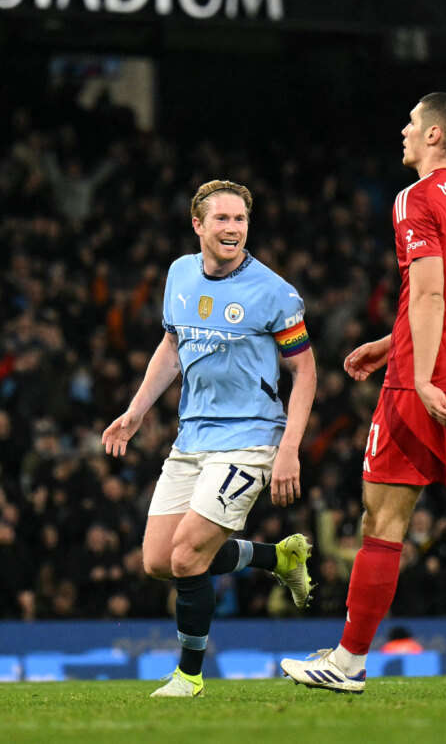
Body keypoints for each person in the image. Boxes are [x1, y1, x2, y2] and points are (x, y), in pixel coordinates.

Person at [280, 93, 446, 695]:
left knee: (383, 519)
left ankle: (347, 662)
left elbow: (429, 295)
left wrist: (416, 373)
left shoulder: (415, 198)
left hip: (424, 385)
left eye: (413, 123)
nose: (404, 130)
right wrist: (390, 343)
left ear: (436, 136)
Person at [102, 179, 318, 698]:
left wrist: (288, 447)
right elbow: (172, 346)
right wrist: (135, 412)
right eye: (221, 219)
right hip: (191, 437)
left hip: (249, 439)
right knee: (158, 561)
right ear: (197, 225)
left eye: (240, 219)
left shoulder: (274, 293)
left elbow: (305, 372)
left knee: (186, 559)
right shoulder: (178, 274)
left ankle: (190, 675)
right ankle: (277, 558)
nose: (232, 229)